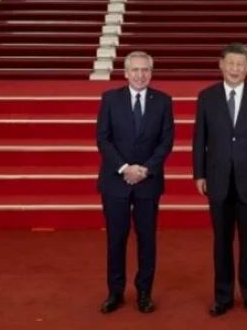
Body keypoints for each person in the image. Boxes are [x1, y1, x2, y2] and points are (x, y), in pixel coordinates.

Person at [192, 43, 247, 318]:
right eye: (230, 63)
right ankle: (223, 296)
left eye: (240, 64)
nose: (235, 69)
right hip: (217, 180)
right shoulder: (207, 97)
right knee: (222, 241)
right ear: (220, 65)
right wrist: (199, 173)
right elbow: (199, 140)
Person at [96, 51, 174, 314]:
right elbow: (103, 139)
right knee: (116, 239)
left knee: (147, 239)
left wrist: (146, 170)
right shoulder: (110, 99)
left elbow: (166, 142)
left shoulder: (163, 101)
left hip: (148, 182)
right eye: (136, 70)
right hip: (114, 181)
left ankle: (144, 292)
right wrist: (124, 168)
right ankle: (115, 292)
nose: (141, 75)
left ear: (151, 72)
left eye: (146, 70)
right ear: (126, 72)